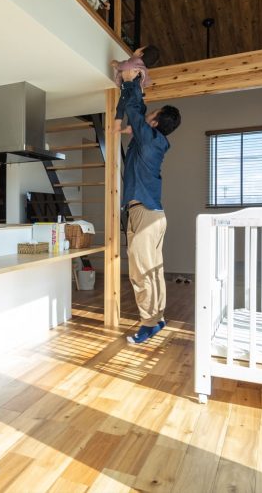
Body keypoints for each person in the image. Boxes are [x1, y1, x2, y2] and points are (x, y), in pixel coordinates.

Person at [119, 69, 181, 345]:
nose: (148, 114)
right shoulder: (153, 140)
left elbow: (134, 110)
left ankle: (148, 324)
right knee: (153, 269)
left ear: (154, 123)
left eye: (152, 113)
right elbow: (138, 112)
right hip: (150, 214)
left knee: (141, 272)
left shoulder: (150, 139)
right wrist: (137, 87)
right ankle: (157, 317)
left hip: (144, 214)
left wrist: (130, 80)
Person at [111, 45, 161, 133]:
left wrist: (116, 64)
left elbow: (124, 66)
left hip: (131, 87)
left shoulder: (135, 60)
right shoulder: (144, 68)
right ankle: (129, 127)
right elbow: (145, 82)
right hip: (138, 91)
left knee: (122, 105)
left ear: (141, 54)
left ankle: (117, 125)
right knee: (135, 108)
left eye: (140, 48)